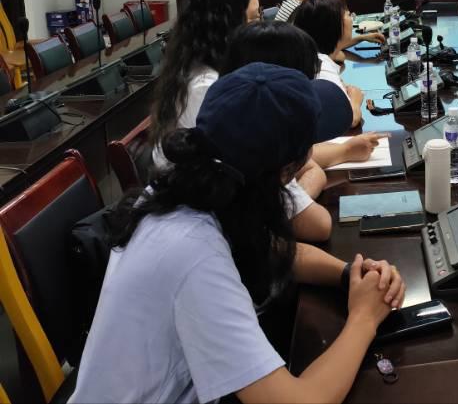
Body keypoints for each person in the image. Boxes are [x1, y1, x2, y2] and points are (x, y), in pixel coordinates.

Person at [70, 63, 406, 404]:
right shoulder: (193, 252)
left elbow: (271, 249)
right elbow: (299, 400)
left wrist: (348, 275)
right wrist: (364, 318)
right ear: (285, 172)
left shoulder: (187, 190)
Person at [150, 0, 333, 241]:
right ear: (224, 28)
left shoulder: (208, 76)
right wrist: (302, 190)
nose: (262, 27)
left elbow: (285, 163)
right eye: (254, 19)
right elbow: (313, 221)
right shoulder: (211, 90)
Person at [222, 21, 388, 204]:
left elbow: (310, 167)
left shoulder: (264, 131)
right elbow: (319, 220)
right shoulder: (233, 158)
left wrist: (344, 151)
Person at [293, 0, 365, 127]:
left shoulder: (312, 56)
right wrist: (355, 100)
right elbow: (349, 120)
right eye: (348, 14)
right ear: (334, 25)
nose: (351, 19)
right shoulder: (322, 66)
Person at [309, 0, 386, 51]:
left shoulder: (313, 14)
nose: (346, 10)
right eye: (341, 3)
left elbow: (334, 47)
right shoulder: (315, 26)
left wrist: (361, 38)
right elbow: (333, 52)